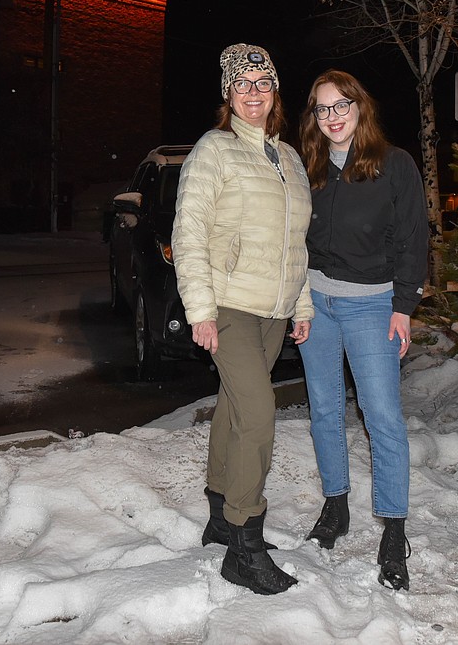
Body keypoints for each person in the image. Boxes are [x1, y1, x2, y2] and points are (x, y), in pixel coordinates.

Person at [171, 43, 314, 595]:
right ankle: (245, 545)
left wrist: (300, 304)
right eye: (242, 83)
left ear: (274, 92)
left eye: (262, 82)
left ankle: (217, 516)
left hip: (273, 310)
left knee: (235, 408)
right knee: (259, 414)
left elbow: (296, 243)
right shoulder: (215, 149)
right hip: (229, 303)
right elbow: (190, 232)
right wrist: (201, 310)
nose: (253, 92)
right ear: (228, 95)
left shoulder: (290, 157)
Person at [296, 69, 428, 591]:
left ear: (359, 107)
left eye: (341, 105)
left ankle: (393, 528)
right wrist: (295, 301)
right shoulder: (307, 166)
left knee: (383, 418)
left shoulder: (394, 165)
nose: (332, 116)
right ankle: (336, 506)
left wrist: (405, 304)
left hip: (373, 306)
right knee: (325, 408)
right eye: (322, 108)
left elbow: (413, 238)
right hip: (315, 304)